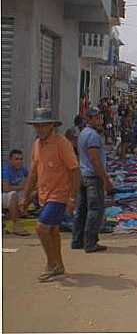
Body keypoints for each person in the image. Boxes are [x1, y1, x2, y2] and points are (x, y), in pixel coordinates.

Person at [20, 108, 80, 282]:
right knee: (52, 230)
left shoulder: (62, 144)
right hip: (44, 194)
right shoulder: (37, 144)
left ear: (52, 126)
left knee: (41, 228)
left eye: (43, 126)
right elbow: (33, 172)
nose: (40, 129)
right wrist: (25, 196)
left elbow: (75, 171)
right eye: (37, 126)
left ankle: (51, 264)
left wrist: (72, 198)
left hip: (59, 195)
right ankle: (59, 265)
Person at [72, 107, 113, 253]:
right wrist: (106, 179)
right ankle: (90, 242)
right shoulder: (93, 136)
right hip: (92, 177)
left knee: (82, 209)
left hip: (83, 175)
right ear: (89, 119)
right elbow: (95, 160)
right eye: (96, 118)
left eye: (99, 117)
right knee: (95, 210)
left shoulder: (83, 133)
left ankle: (77, 241)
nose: (99, 120)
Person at [2, 149, 30, 236]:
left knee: (34, 191)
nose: (19, 161)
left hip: (14, 193)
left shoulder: (22, 169)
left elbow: (31, 178)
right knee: (13, 195)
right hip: (3, 194)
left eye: (21, 159)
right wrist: (23, 187)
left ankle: (21, 211)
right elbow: (6, 188)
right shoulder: (5, 171)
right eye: (16, 159)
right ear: (10, 160)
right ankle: (16, 226)